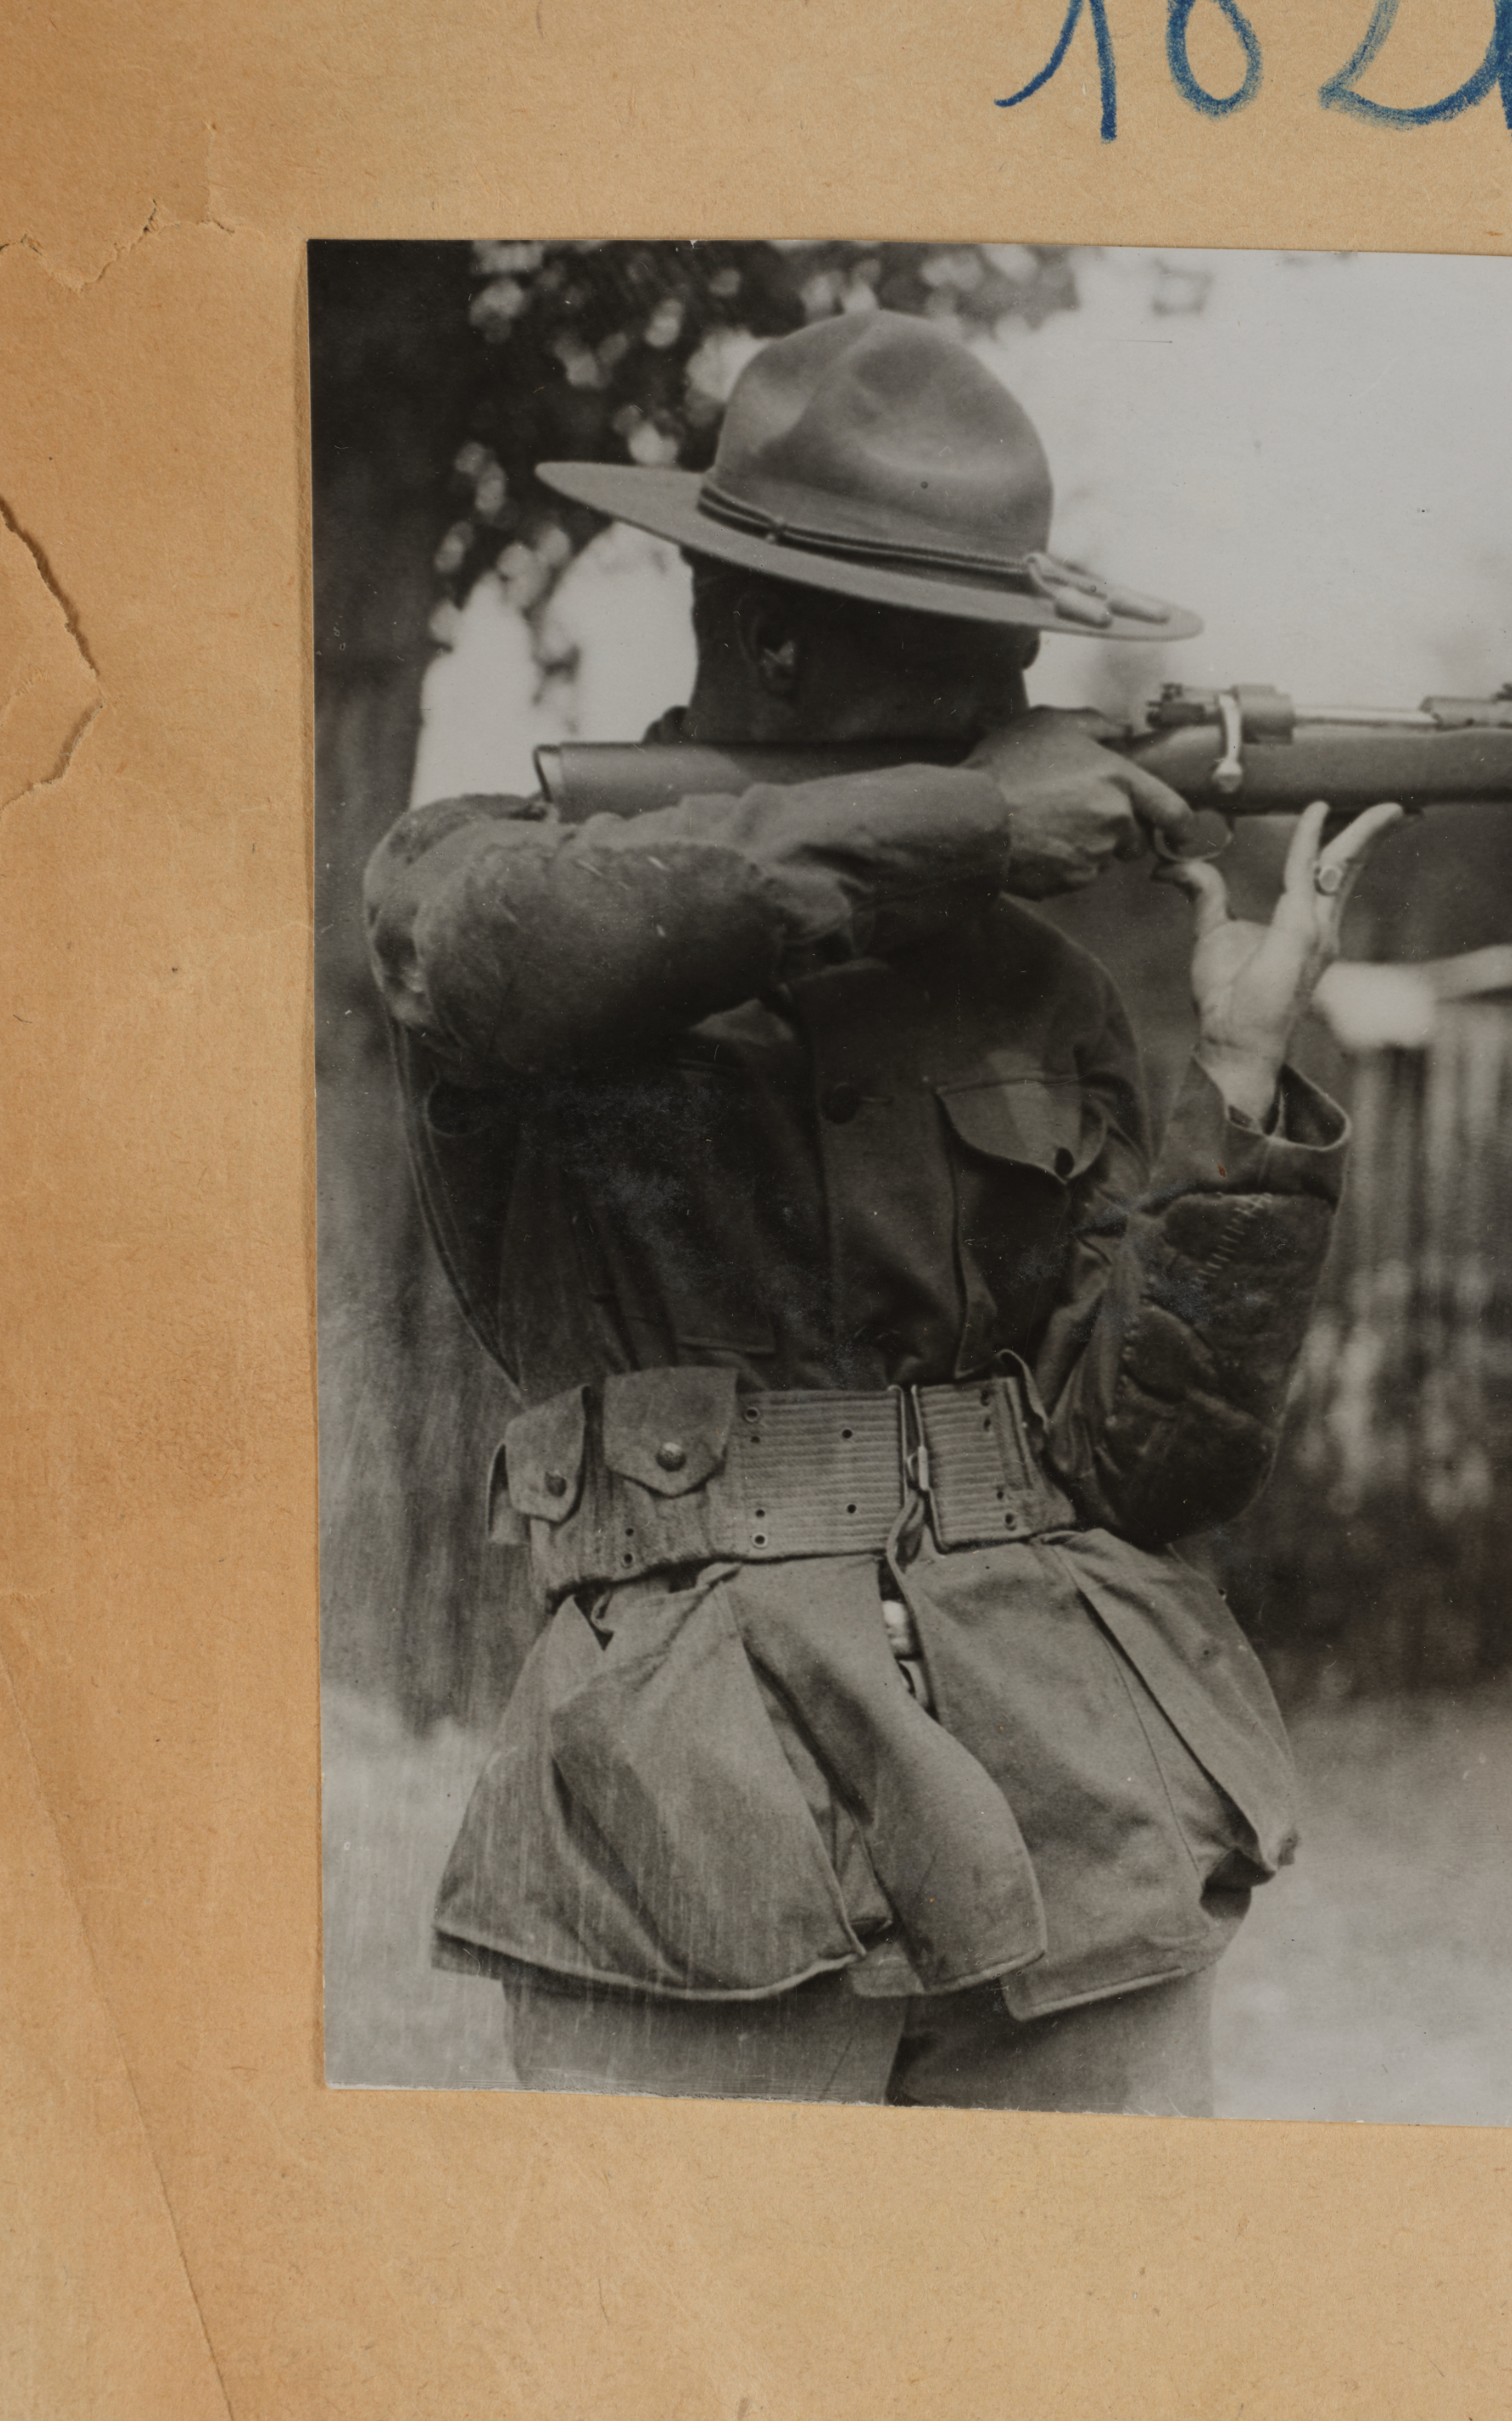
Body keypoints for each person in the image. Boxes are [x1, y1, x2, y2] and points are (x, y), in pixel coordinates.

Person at [361, 310, 1398, 2113]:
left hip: (1070, 1815)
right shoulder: (486, 871)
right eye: (964, 667)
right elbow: (515, 967)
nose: (1014, 714)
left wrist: (1239, 1076)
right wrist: (962, 828)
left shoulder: (1040, 985)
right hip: (696, 1843)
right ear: (769, 636)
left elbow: (1146, 1465)